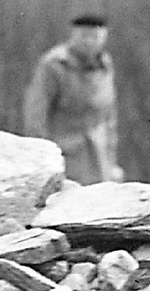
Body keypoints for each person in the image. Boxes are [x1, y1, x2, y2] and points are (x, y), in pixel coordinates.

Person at [22, 14, 124, 183]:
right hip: (64, 156)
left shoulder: (105, 65)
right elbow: (36, 114)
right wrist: (41, 160)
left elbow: (109, 117)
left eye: (95, 36)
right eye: (84, 36)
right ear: (73, 35)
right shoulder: (55, 65)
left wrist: (112, 163)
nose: (89, 42)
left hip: (99, 157)